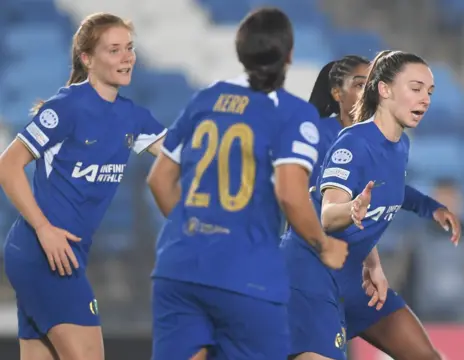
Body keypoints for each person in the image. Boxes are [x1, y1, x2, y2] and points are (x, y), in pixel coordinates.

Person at [146, 8, 348, 360]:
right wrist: (323, 244)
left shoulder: (205, 99)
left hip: (178, 267)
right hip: (246, 276)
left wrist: (193, 230)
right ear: (289, 55)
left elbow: (159, 180)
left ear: (240, 52)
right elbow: (290, 193)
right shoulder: (293, 114)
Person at [0, 12, 166, 360]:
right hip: (43, 254)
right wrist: (44, 229)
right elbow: (8, 165)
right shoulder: (66, 108)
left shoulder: (133, 116)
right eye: (114, 49)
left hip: (60, 256)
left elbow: (181, 156)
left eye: (130, 48)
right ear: (87, 59)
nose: (127, 57)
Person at [281, 50, 457, 360]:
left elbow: (373, 209)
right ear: (384, 90)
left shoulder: (400, 144)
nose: (425, 99)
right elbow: (328, 215)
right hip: (311, 273)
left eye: (429, 92)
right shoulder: (352, 143)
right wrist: (349, 210)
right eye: (415, 89)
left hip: (354, 276)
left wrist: (372, 263)